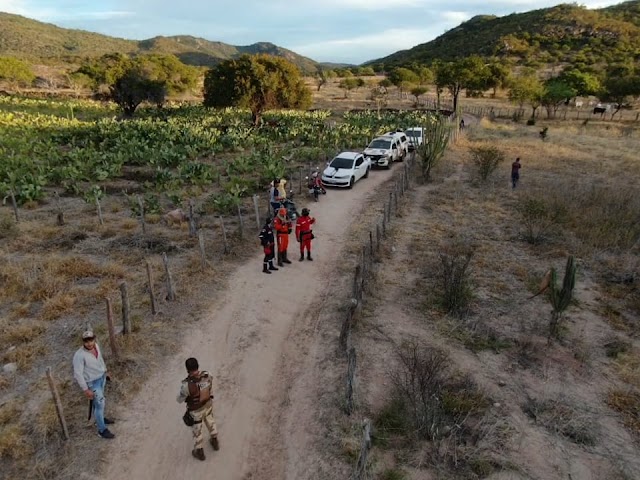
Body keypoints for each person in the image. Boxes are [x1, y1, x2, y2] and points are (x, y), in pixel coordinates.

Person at [72, 330, 115, 439]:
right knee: (100, 404)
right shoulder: (79, 355)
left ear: (94, 339)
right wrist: (86, 389)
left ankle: (100, 418)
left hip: (101, 378)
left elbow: (100, 359)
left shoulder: (96, 346)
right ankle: (102, 430)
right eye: (86, 341)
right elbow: (78, 374)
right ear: (83, 342)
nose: (89, 343)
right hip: (92, 383)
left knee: (98, 404)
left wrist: (105, 371)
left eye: (91, 340)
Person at [177, 357, 219, 461]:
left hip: (196, 412)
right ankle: (215, 441)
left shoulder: (186, 385)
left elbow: (179, 399)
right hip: (208, 405)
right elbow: (210, 385)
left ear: (187, 369)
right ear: (198, 366)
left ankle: (199, 452)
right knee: (211, 422)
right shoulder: (207, 375)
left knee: (197, 431)